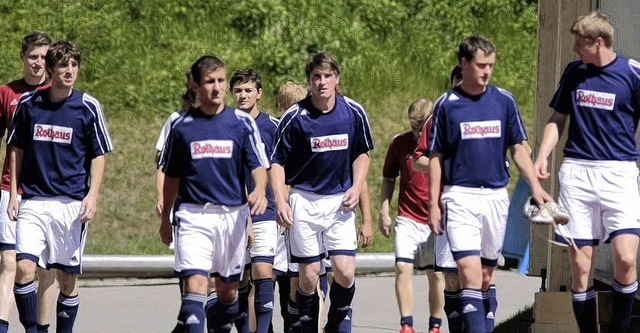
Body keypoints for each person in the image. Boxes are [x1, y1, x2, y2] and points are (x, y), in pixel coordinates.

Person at [427, 35, 552, 333]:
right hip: (459, 197)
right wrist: (433, 204)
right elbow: (435, 157)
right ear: (464, 64)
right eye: (481, 65)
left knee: (485, 277)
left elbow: (519, 148)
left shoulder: (503, 101)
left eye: (491, 66)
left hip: (495, 196)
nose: (486, 71)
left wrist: (535, 187)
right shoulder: (447, 105)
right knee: (468, 273)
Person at [533, 11, 640, 333]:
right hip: (578, 173)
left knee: (625, 259)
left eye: (581, 44)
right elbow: (558, 118)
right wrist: (542, 155)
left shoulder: (632, 73)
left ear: (599, 42)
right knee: (580, 266)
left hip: (618, 173)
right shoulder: (574, 71)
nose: (576, 49)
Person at [7, 40, 113, 333]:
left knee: (66, 280)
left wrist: (93, 195)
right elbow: (15, 148)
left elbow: (99, 154)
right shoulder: (30, 105)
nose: (69, 71)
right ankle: (32, 329)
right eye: (63, 65)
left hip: (71, 203)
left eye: (74, 65)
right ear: (51, 69)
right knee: (25, 268)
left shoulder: (88, 106)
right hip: (34, 201)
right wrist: (15, 193)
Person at [159, 55, 269, 333]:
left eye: (221, 80)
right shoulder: (181, 126)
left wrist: (258, 190)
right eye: (210, 81)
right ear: (196, 85)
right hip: (193, 215)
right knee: (196, 285)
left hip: (232, 216)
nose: (217, 87)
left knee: (228, 293)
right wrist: (165, 218)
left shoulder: (241, 123)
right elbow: (171, 176)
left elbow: (258, 166)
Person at [270, 52, 374, 333]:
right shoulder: (295, 116)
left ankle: (334, 326)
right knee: (309, 276)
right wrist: (281, 199)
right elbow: (276, 162)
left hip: (339, 202)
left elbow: (363, 154)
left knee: (345, 271)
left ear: (337, 79)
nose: (322, 82)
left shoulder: (352, 111)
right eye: (316, 77)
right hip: (304, 200)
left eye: (327, 76)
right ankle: (301, 322)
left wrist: (355, 185)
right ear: (309, 82)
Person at [0, 31, 60, 333]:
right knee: (11, 263)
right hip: (11, 188)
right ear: (23, 58)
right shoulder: (6, 93)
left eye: (43, 58)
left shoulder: (57, 93)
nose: (38, 63)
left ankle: (41, 326)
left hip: (49, 192)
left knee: (45, 269)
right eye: (32, 56)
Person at [378, 98, 446, 333]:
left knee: (435, 274)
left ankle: (435, 324)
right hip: (407, 217)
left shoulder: (443, 144)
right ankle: (406, 324)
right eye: (414, 127)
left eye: (422, 127)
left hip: (434, 217)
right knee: (402, 268)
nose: (418, 133)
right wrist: (384, 210)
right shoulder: (399, 143)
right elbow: (388, 178)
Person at [229, 68, 280, 333]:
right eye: (238, 91)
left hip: (265, 210)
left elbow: (283, 166)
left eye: (248, 90)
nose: (243, 95)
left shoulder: (272, 126)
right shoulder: (226, 126)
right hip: (233, 213)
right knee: (239, 280)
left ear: (259, 93)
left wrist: (283, 200)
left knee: (263, 270)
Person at [154, 69, 197, 333]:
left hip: (217, 207)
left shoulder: (227, 119)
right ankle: (189, 318)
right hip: (185, 206)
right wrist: (161, 199)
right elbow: (163, 165)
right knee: (187, 268)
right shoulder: (176, 120)